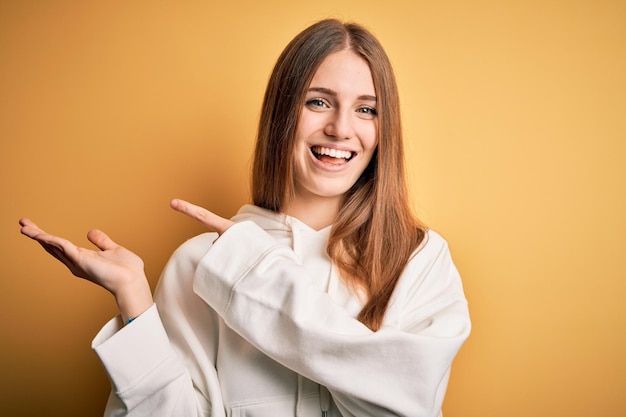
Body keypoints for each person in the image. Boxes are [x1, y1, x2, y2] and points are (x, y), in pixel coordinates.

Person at [19, 18, 470, 417]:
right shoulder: (199, 263)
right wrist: (134, 301)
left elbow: (406, 405)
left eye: (366, 109)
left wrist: (253, 274)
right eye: (318, 102)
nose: (341, 128)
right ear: (281, 115)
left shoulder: (419, 259)